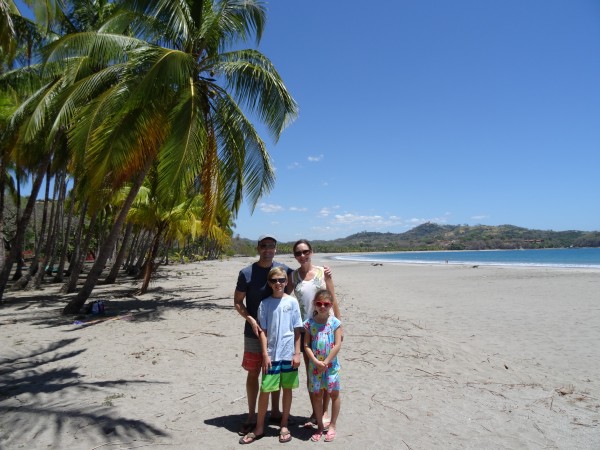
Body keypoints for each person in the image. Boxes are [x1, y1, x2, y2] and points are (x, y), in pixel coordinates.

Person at [234, 235, 292, 437]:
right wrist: (250, 319)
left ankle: (275, 412)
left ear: (276, 249)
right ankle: (251, 415)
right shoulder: (247, 273)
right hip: (253, 333)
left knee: (274, 371)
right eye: (264, 246)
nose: (268, 249)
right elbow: (238, 302)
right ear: (258, 248)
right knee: (253, 373)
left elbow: (297, 286)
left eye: (272, 246)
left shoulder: (283, 270)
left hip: (276, 335)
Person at [239, 267, 303, 444]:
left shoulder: (292, 302)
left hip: (289, 353)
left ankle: (284, 424)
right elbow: (263, 332)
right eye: (274, 280)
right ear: (269, 283)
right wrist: (265, 355)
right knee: (266, 389)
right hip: (272, 355)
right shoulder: (265, 304)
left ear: (286, 281)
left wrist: (297, 354)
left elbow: (297, 330)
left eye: (281, 280)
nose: (278, 283)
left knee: (287, 389)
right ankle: (259, 427)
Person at [289, 239, 340, 428]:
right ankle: (315, 412)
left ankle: (324, 411)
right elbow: (284, 297)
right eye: (298, 253)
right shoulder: (293, 276)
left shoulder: (322, 272)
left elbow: (332, 299)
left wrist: (339, 327)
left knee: (326, 370)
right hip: (307, 329)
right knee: (312, 374)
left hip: (327, 328)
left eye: (305, 251)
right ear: (294, 256)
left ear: (311, 252)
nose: (302, 256)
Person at [303, 289, 342, 442]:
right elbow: (306, 345)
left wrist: (326, 362)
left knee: (334, 394)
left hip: (331, 366)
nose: (322, 307)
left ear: (331, 305)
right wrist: (315, 361)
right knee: (317, 395)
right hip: (315, 367)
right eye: (319, 303)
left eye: (326, 304)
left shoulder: (335, 323)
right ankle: (320, 425)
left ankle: (332, 425)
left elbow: (337, 345)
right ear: (315, 304)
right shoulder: (309, 324)